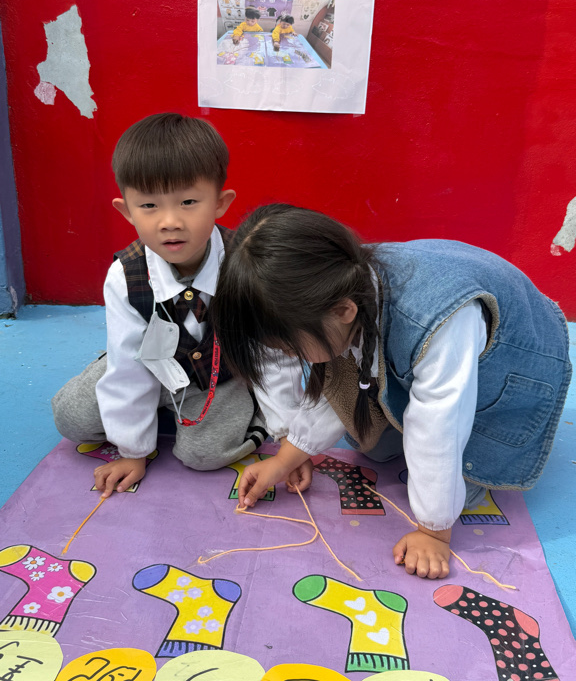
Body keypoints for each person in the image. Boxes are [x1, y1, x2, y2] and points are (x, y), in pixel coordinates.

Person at [211, 204, 572, 581]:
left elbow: (439, 425)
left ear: (343, 311)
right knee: (374, 444)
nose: (290, 357)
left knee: (460, 487)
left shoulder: (438, 324)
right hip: (430, 336)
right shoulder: (334, 287)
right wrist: (287, 457)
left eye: (290, 348)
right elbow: (342, 377)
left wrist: (434, 531)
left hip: (517, 357)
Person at [52, 113, 267, 497]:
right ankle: (147, 409)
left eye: (188, 202)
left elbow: (272, 351)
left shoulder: (247, 264)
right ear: (127, 211)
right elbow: (129, 365)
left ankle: (252, 414)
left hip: (217, 374)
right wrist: (133, 451)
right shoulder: (125, 275)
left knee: (205, 455)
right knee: (70, 418)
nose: (170, 222)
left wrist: (289, 431)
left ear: (220, 203)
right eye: (149, 205)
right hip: (146, 362)